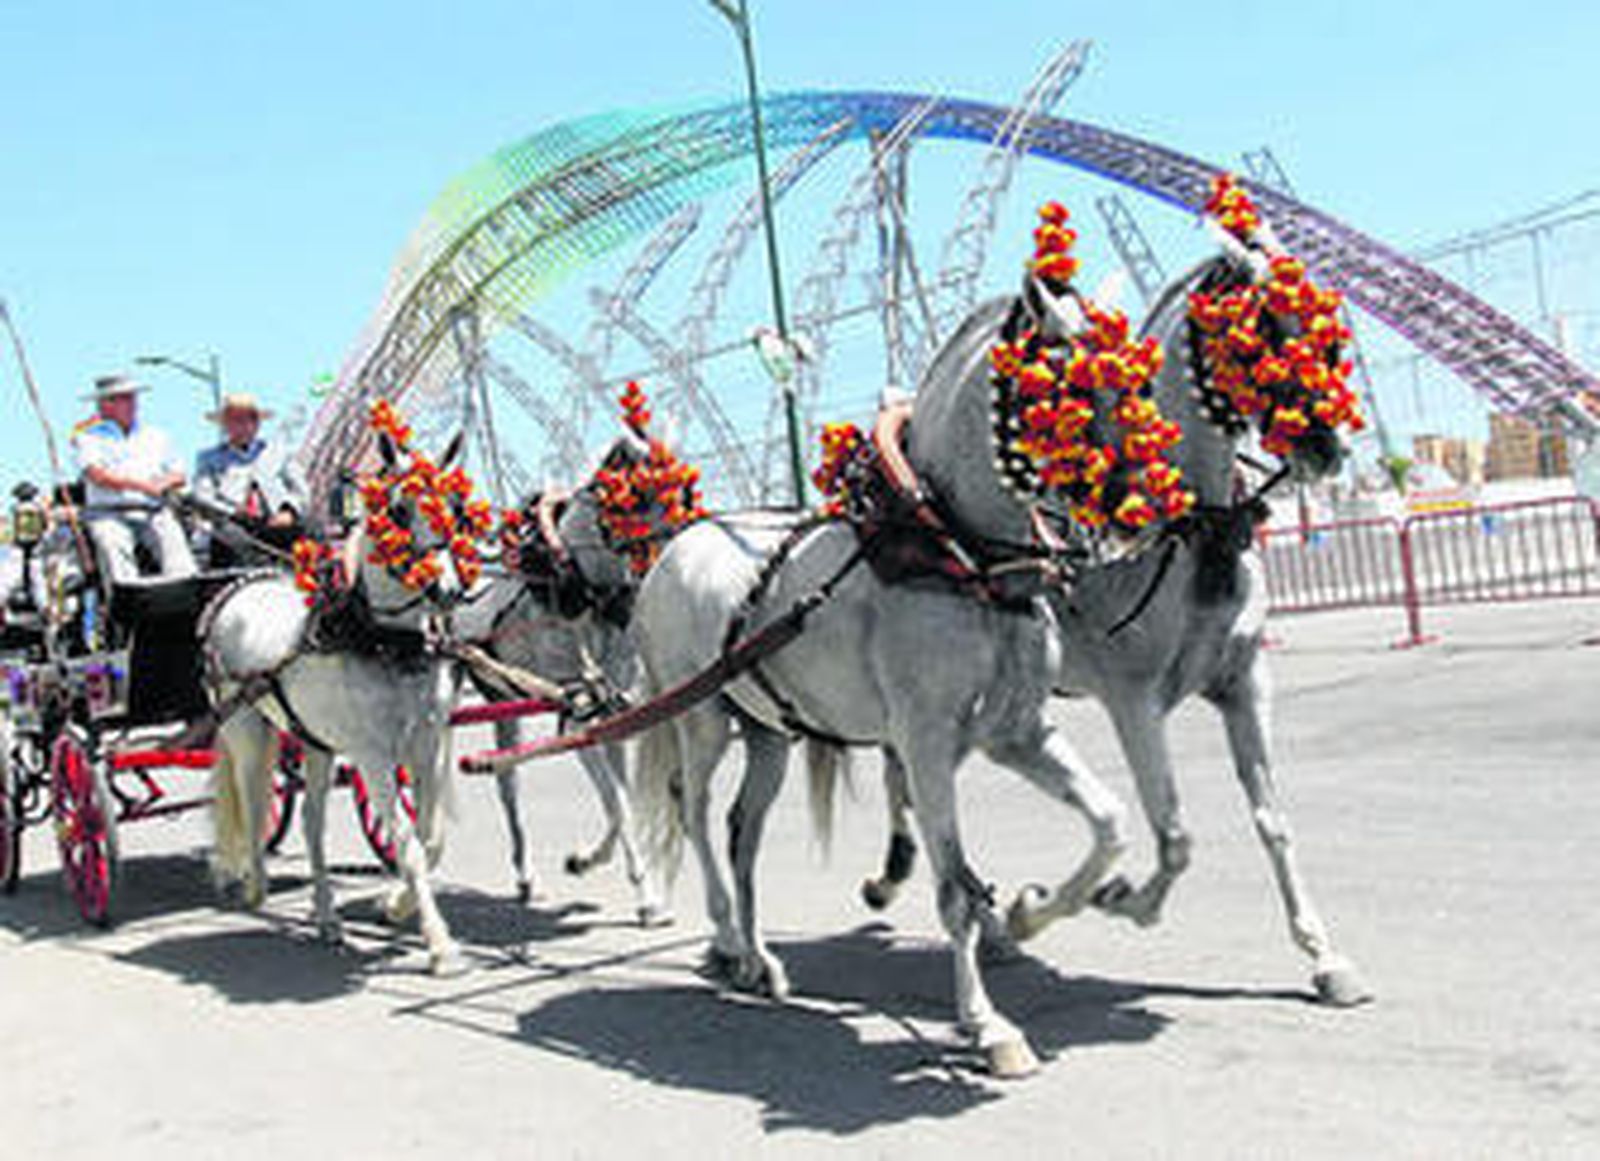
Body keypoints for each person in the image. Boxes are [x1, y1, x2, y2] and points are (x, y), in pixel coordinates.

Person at [71, 372, 197, 585]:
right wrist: (142, 486)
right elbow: (97, 475)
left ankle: (185, 593)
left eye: (131, 397)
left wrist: (163, 483)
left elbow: (179, 474)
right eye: (123, 398)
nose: (131, 403)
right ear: (105, 404)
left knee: (174, 544)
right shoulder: (88, 438)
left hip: (152, 511)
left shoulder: (157, 436)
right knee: (113, 543)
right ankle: (127, 599)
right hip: (108, 513)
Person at [192, 392, 306, 567]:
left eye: (248, 419)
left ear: (257, 423)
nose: (243, 426)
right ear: (226, 425)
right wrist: (233, 513)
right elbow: (203, 496)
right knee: (229, 537)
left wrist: (289, 512)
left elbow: (301, 490)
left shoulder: (279, 452)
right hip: (233, 525)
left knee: (310, 538)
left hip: (276, 523)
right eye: (235, 420)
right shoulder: (209, 459)